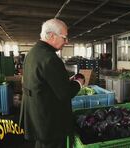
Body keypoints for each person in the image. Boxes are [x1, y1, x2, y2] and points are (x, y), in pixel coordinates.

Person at [19, 18, 85, 148]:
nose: (67, 41)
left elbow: (40, 82)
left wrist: (65, 81)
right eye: (64, 37)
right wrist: (79, 82)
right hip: (50, 121)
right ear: (51, 36)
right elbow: (65, 94)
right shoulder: (50, 58)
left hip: (37, 116)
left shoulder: (32, 53)